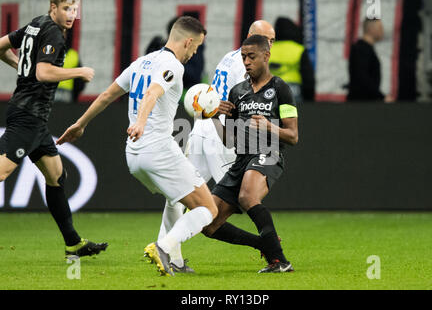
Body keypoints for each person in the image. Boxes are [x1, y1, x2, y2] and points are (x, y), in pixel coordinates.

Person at [57, 16, 218, 277]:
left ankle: (174, 261)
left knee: (174, 198)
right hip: (158, 149)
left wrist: (80, 124)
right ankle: (164, 247)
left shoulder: (141, 62)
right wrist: (141, 123)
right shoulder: (173, 66)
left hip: (133, 155)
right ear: (188, 41)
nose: (195, 52)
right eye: (196, 47)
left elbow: (108, 95)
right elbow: (152, 93)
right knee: (208, 209)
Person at [157, 20, 276, 273]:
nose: (271, 46)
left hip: (201, 126)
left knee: (180, 193)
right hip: (220, 134)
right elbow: (246, 102)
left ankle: (169, 254)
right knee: (234, 201)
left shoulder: (230, 57)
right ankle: (269, 246)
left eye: (273, 41)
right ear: (251, 37)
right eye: (268, 40)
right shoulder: (248, 63)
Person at [0, 0, 107, 258]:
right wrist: (79, 71)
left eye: (75, 10)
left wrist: (20, 68)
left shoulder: (35, 24)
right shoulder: (53, 34)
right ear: (54, 7)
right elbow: (44, 72)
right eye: (67, 9)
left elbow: (1, 46)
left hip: (34, 120)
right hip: (27, 117)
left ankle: (73, 243)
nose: (72, 15)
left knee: (57, 176)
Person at [202, 34, 299, 273]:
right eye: (244, 57)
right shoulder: (237, 92)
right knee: (208, 223)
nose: (246, 61)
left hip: (269, 153)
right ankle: (263, 244)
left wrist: (269, 126)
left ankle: (280, 261)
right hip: (241, 159)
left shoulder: (280, 89)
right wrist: (215, 118)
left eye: (252, 56)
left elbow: (293, 136)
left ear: (266, 56)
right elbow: (230, 141)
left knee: (247, 196)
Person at [269, 17, 315, 103]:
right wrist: (310, 98)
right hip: (293, 90)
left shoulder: (267, 49)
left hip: (270, 90)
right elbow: (307, 76)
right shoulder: (299, 49)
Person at [347, 18, 393, 102]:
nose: (382, 31)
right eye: (380, 28)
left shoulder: (365, 49)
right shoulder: (361, 50)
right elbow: (362, 78)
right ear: (371, 29)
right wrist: (381, 97)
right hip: (361, 104)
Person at [54, 29, 86, 102]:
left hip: (67, 93)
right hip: (51, 91)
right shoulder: (47, 52)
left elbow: (79, 79)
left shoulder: (73, 55)